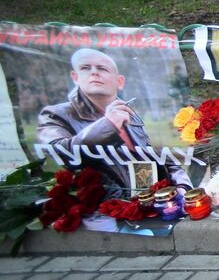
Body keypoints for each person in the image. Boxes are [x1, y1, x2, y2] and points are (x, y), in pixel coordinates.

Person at [36, 48, 192, 194]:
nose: (94, 73)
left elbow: (155, 158)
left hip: (147, 201)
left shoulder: (127, 112)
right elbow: (57, 153)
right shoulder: (55, 113)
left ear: (120, 82)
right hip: (101, 212)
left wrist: (182, 186)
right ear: (75, 77)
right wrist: (107, 125)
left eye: (102, 68)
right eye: (85, 68)